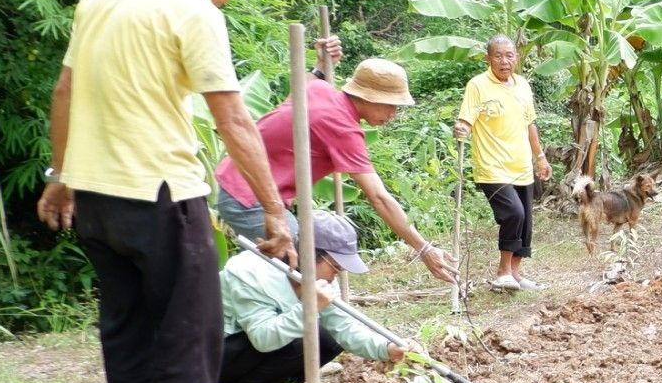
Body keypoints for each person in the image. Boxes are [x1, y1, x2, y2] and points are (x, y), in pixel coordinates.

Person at [36, 0, 296, 383]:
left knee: (127, 324)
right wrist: (273, 210)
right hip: (160, 191)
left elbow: (66, 87)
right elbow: (231, 116)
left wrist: (61, 174)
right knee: (189, 324)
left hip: (95, 195)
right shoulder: (193, 10)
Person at [212, 43, 455, 285]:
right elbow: (378, 197)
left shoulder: (320, 88)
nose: (393, 114)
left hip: (241, 182)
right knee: (300, 270)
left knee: (297, 266)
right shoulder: (343, 128)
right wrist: (424, 249)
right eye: (391, 104)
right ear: (368, 97)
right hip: (246, 197)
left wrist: (320, 65)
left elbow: (296, 94)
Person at [216, 211, 404, 383]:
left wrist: (387, 348)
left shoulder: (322, 280)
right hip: (212, 356)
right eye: (335, 266)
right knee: (304, 335)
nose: (337, 274)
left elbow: (345, 328)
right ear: (308, 253)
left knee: (328, 337)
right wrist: (309, 308)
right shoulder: (250, 273)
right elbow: (263, 338)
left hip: (248, 352)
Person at [454, 35, 549, 291]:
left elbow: (530, 124)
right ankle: (502, 272)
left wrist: (540, 157)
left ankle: (516, 274)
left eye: (509, 55)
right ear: (488, 59)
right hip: (492, 166)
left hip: (521, 166)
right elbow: (466, 119)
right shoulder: (477, 85)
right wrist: (461, 127)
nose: (504, 61)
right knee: (513, 213)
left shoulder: (523, 85)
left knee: (526, 220)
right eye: (498, 55)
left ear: (516, 58)